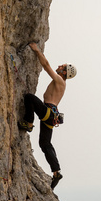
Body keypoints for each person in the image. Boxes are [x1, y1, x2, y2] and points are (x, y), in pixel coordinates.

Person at [18, 42, 77, 190]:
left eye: (62, 66)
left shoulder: (59, 80)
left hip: (49, 112)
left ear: (64, 72)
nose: (59, 66)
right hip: (52, 115)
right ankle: (56, 172)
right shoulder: (62, 83)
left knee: (30, 98)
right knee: (45, 144)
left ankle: (28, 123)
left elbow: (46, 65)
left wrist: (37, 52)